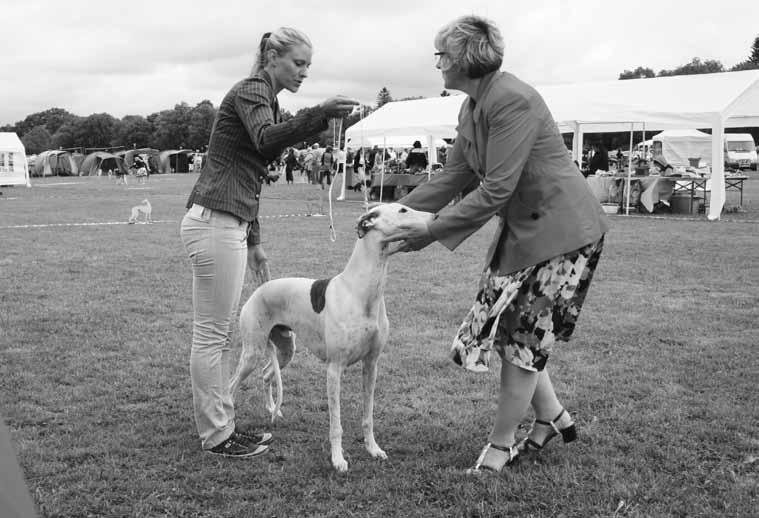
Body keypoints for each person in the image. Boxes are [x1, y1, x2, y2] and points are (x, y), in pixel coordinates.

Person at [379, 15, 609, 474]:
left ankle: (500, 449)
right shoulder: (470, 107)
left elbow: (497, 188)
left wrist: (430, 229)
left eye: (441, 55)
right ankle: (552, 418)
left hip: (563, 231)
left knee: (524, 336)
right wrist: (394, 216)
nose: (438, 64)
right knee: (511, 330)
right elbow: (455, 176)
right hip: (526, 231)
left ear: (463, 59)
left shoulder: (511, 100)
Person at [180, 27, 357, 458]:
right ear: (272, 57)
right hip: (215, 223)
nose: (304, 73)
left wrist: (255, 239)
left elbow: (249, 170)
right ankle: (217, 433)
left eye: (308, 66)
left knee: (218, 334)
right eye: (299, 63)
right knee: (212, 335)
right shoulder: (252, 90)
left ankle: (222, 423)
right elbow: (264, 141)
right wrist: (319, 114)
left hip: (230, 223)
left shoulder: (267, 99)